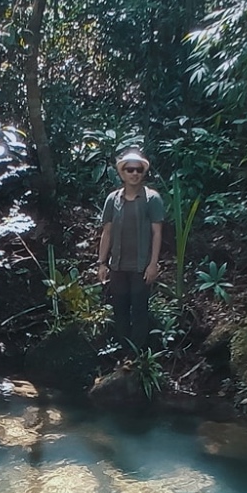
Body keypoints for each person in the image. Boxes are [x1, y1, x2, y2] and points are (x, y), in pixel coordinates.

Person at [96, 147, 164, 354]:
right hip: (117, 265)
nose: (134, 174)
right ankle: (125, 353)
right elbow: (107, 232)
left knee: (140, 310)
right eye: (129, 170)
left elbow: (157, 233)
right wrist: (101, 262)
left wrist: (153, 264)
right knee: (120, 310)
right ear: (122, 173)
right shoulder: (113, 199)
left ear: (143, 173)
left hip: (141, 266)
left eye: (138, 170)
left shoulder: (152, 199)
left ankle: (136, 356)